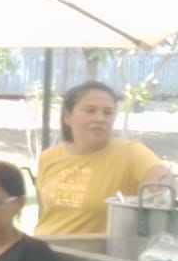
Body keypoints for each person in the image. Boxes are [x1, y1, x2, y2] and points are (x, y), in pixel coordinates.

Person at [35, 80, 173, 237]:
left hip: (96, 251)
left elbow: (164, 188)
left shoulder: (132, 153)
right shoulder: (49, 157)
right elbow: (44, 213)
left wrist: (163, 190)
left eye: (108, 112)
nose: (100, 118)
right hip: (41, 246)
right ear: (67, 116)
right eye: (90, 111)